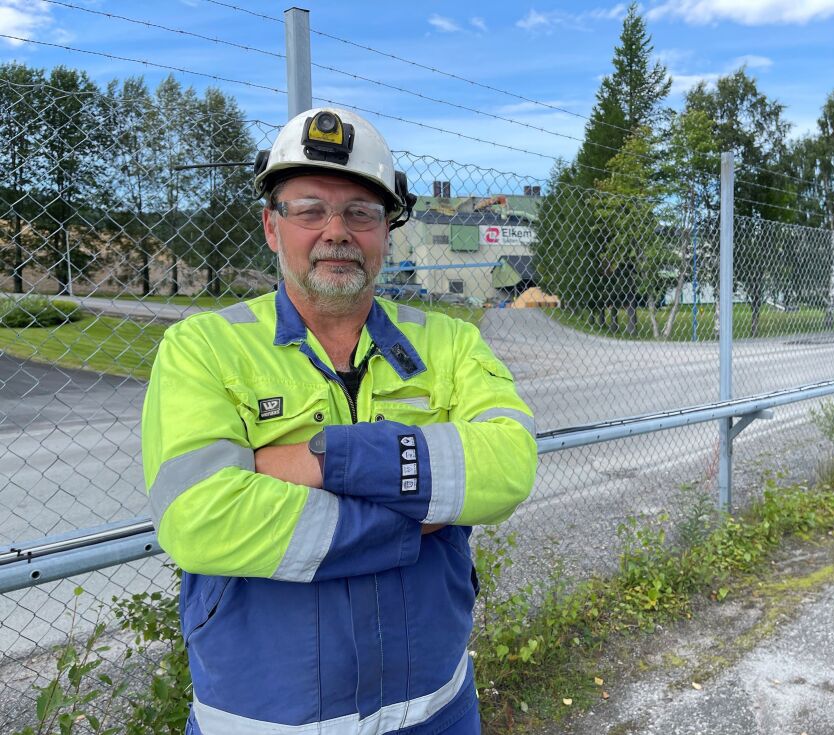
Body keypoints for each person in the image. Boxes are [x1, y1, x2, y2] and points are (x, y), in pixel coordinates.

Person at [141, 106, 537, 735]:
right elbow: (199, 519)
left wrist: (317, 460)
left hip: (435, 709)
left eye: (361, 211)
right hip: (261, 720)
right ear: (273, 228)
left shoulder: (452, 343)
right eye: (308, 209)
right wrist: (414, 521)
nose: (336, 231)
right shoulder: (202, 348)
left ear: (387, 232)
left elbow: (508, 465)